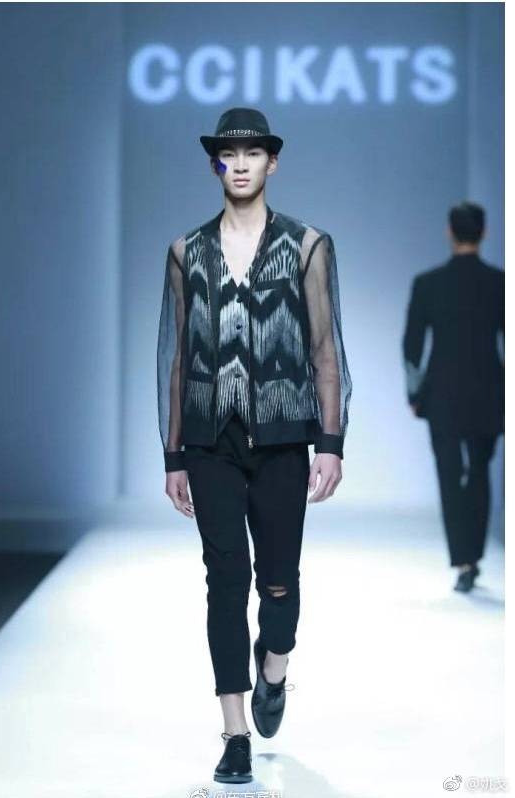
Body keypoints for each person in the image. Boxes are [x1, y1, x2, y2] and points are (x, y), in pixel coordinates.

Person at [156, 107, 352, 783]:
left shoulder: (306, 245)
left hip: (281, 437)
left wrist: (330, 442)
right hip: (209, 440)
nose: (239, 164)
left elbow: (324, 348)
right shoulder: (186, 251)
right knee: (224, 580)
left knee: (278, 584)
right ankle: (234, 733)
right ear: (216, 163)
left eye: (252, 153)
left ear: (272, 162)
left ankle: (275, 666)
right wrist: (173, 454)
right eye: (228, 153)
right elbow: (179, 358)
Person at [402, 201, 504, 593]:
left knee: (448, 473)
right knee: (478, 471)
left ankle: (462, 561)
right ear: (484, 232)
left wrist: (414, 391)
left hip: (441, 392)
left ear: (449, 231)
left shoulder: (428, 284)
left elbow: (412, 344)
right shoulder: (500, 284)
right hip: (489, 391)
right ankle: (473, 556)